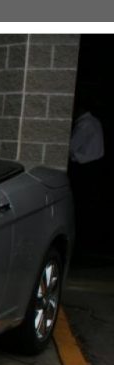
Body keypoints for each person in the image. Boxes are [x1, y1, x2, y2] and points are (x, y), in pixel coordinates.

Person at [69, 101, 106, 256]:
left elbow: (71, 146)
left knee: (80, 205)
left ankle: (81, 245)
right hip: (95, 168)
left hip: (85, 168)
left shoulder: (84, 124)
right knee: (89, 206)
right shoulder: (95, 121)